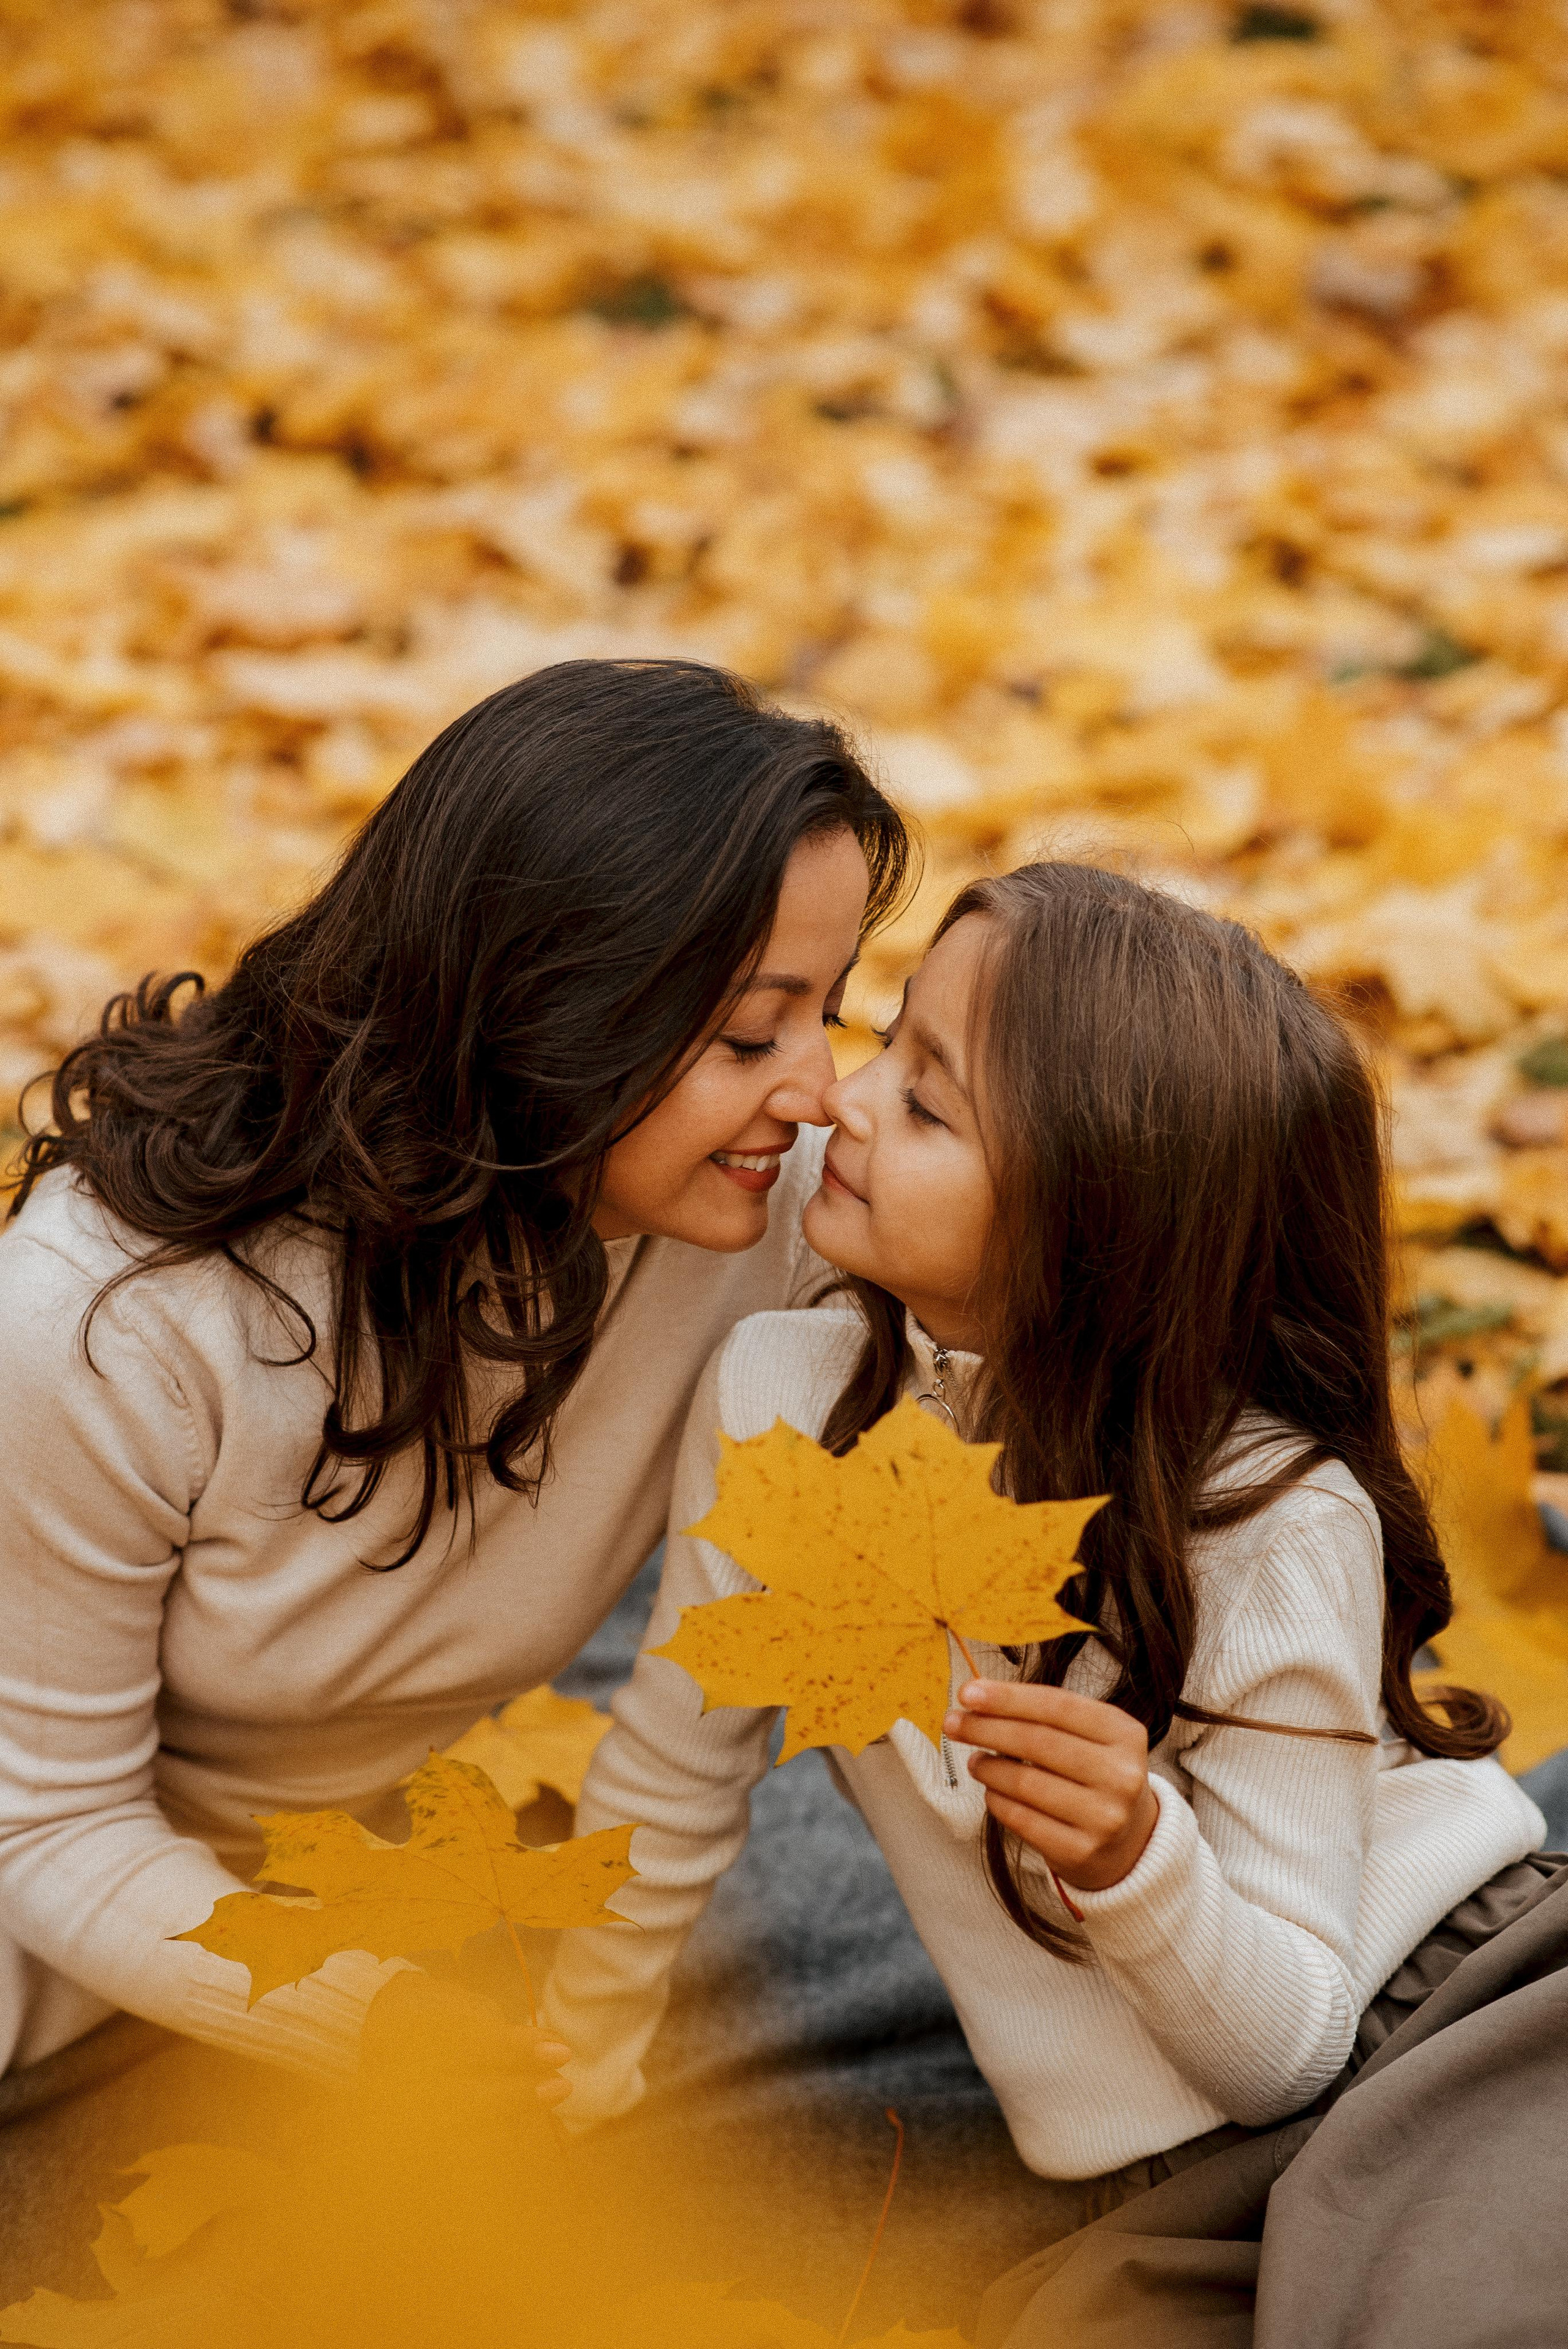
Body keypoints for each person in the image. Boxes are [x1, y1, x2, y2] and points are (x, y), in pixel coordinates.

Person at [543, 861, 1544, 2212]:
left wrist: (1132, 1857)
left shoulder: (1268, 1516)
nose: (840, 1096)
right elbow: (672, 1771)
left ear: (1096, 1224)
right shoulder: (779, 1397)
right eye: (888, 1037)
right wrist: (571, 2073)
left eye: (926, 1102)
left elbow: (1291, 2049)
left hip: (1425, 2009)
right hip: (1142, 2169)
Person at [0, 657, 908, 2108]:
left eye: (833, 1012)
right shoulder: (119, 1323)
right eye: (749, 1034)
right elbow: (39, 1827)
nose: (818, 1089)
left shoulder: (767, 1208)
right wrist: (364, 2024)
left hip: (324, 1874)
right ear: (543, 1015)